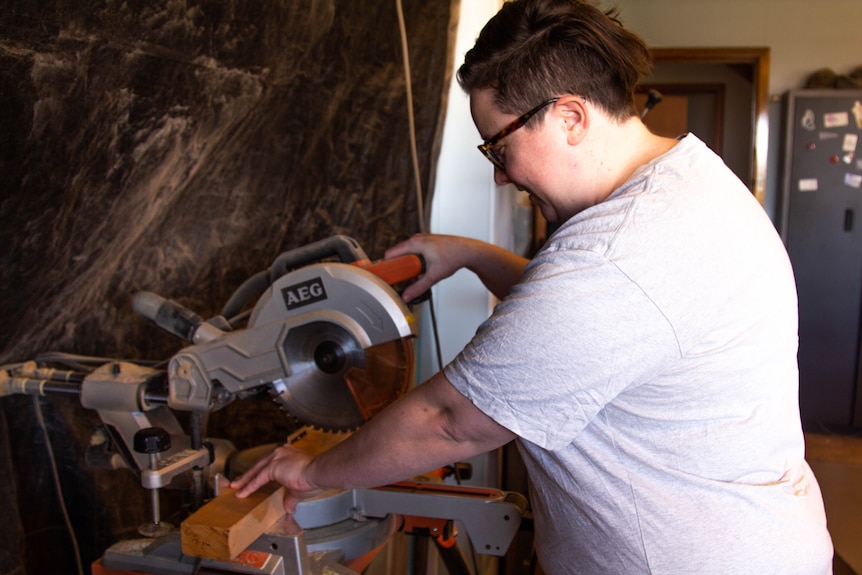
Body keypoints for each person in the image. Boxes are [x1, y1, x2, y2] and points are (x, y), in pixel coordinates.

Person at [232, 0, 834, 572]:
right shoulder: (687, 181)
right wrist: (469, 255)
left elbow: (450, 419)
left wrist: (313, 472)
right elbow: (599, 329)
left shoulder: (614, 255)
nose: (500, 175)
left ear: (571, 117)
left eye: (499, 145)